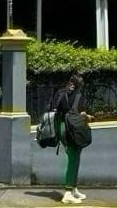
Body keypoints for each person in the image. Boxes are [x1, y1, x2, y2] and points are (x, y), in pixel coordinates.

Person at [51, 72, 93, 204]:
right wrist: (89, 118)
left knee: (75, 157)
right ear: (80, 84)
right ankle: (68, 193)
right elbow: (81, 114)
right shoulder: (78, 95)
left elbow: (54, 108)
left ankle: (74, 189)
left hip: (62, 128)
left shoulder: (60, 92)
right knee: (73, 159)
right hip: (72, 130)